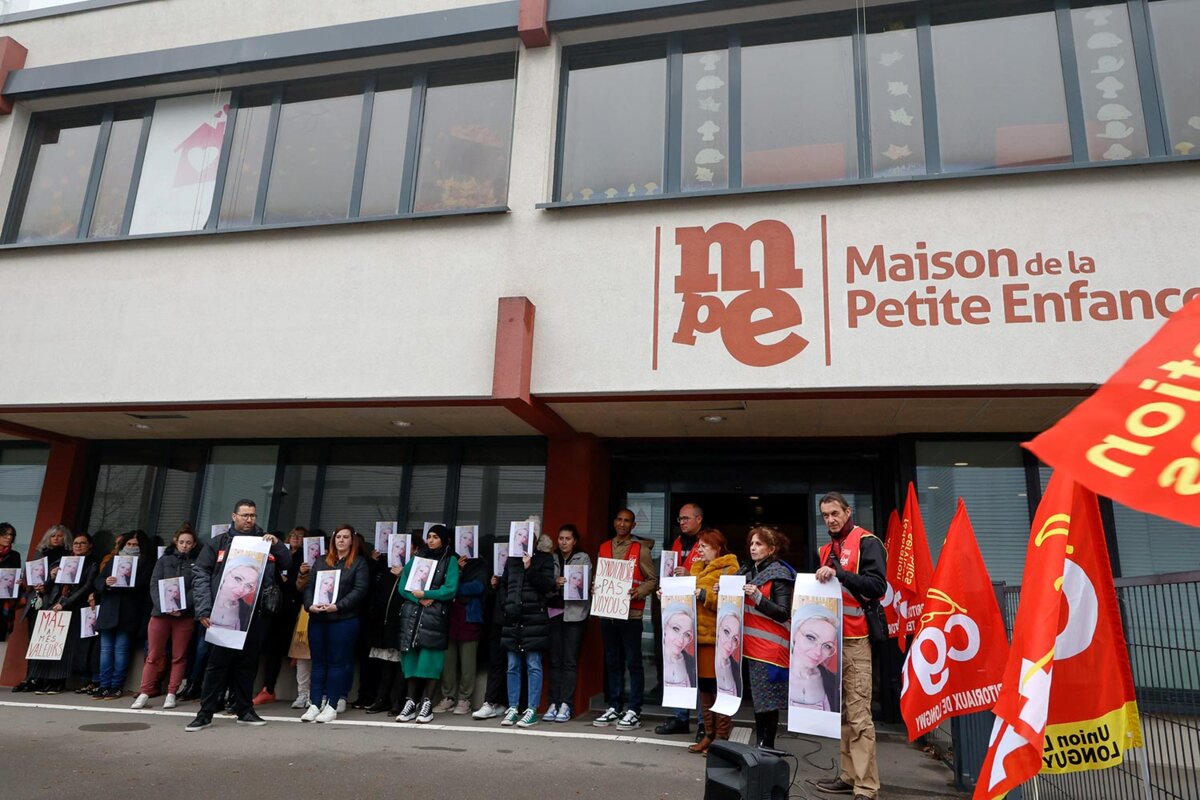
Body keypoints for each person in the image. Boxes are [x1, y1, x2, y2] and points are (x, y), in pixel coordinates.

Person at [184, 499, 291, 732]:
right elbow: (200, 574)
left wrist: (278, 544)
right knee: (217, 664)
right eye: (244, 515)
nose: (249, 519)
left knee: (248, 664)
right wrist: (203, 609)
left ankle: (244, 710)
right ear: (234, 516)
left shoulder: (266, 541)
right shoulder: (219, 543)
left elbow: (287, 564)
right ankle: (205, 714)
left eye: (252, 515)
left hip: (255, 614)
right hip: (222, 613)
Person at [813, 492, 887, 800]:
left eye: (834, 513)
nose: (830, 519)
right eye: (825, 515)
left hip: (856, 640)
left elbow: (878, 586)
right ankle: (848, 775)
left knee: (858, 715)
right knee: (842, 713)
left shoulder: (867, 541)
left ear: (847, 511)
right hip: (833, 641)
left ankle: (866, 787)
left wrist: (841, 574)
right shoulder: (825, 549)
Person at [593, 508, 657, 731]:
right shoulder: (603, 547)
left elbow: (652, 580)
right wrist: (595, 587)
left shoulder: (641, 549)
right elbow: (600, 576)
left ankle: (634, 710)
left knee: (633, 662)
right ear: (614, 522)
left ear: (633, 525)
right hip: (608, 612)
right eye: (619, 519)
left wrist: (638, 593)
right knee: (612, 661)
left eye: (627, 521)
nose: (622, 524)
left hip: (632, 614)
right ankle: (614, 706)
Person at [300, 524, 369, 724]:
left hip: (343, 620)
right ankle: (314, 704)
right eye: (338, 537)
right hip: (318, 619)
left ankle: (331, 705)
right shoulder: (321, 561)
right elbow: (310, 587)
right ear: (333, 539)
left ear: (352, 540)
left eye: (345, 537)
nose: (341, 540)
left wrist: (338, 606)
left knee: (337, 662)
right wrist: (309, 605)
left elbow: (360, 590)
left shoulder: (358, 563)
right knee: (318, 662)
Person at [394, 524, 459, 724]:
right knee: (411, 659)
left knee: (430, 661)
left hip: (434, 616)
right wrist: (418, 599)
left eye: (435, 537)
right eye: (429, 536)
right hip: (412, 614)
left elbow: (451, 589)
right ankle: (411, 702)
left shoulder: (450, 560)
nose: (431, 540)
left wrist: (428, 594)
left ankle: (427, 703)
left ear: (444, 540)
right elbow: (403, 587)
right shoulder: (416, 558)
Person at [738, 525, 796, 750]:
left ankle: (766, 744)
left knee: (768, 700)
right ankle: (762, 744)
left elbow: (783, 613)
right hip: (752, 646)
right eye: (751, 543)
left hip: (770, 648)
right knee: (760, 698)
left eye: (759, 544)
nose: (753, 548)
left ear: (771, 549)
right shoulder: (747, 571)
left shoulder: (779, 575)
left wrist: (759, 597)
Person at [132, 523, 199, 710]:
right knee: (153, 654)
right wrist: (165, 606)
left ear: (194, 545)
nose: (185, 545)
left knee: (179, 656)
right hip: (160, 614)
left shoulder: (196, 564)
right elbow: (154, 584)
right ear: (176, 542)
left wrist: (182, 607)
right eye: (182, 542)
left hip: (184, 616)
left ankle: (171, 693)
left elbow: (197, 589)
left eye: (189, 543)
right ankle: (145, 692)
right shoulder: (163, 560)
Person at [22, 532, 98, 695]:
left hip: (73, 608)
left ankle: (58, 681)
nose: (78, 546)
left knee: (65, 647)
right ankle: (43, 680)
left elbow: (86, 588)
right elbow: (49, 586)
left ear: (89, 546)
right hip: (53, 605)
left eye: (82, 543)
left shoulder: (92, 564)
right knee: (49, 644)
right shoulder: (63, 561)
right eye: (76, 543)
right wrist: (51, 577)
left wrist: (64, 603)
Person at [687, 528, 740, 753]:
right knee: (705, 689)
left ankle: (721, 737)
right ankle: (709, 734)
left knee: (721, 688)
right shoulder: (696, 568)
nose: (700, 550)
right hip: (696, 638)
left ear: (717, 548)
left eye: (704, 546)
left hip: (718, 639)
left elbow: (731, 602)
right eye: (699, 546)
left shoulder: (731, 568)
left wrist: (703, 595)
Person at [496, 533, 555, 728]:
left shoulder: (545, 558)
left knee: (533, 664)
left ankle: (531, 708)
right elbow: (504, 585)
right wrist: (507, 605)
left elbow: (548, 586)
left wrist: (530, 568)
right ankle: (513, 707)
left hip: (534, 618)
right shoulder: (511, 560)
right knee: (512, 664)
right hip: (513, 617)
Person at [93, 529, 153, 700]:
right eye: (129, 544)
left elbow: (144, 586)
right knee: (105, 650)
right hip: (109, 611)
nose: (132, 547)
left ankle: (116, 686)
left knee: (121, 651)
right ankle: (103, 686)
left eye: (136, 545)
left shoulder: (146, 563)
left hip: (129, 612)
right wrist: (106, 583)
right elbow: (98, 580)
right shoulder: (113, 560)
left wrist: (126, 581)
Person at [253, 526, 306, 707]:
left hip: (295, 607)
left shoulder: (306, 557)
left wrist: (291, 581)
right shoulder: (276, 554)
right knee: (272, 649)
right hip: (275, 607)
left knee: (298, 650)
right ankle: (268, 689)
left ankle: (303, 693)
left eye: (300, 536)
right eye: (292, 534)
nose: (295, 538)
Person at [544, 524, 591, 723]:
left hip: (575, 613)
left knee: (570, 661)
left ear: (575, 541)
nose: (564, 542)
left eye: (568, 539)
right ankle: (553, 703)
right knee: (555, 660)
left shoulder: (583, 558)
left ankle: (566, 704)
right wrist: (555, 582)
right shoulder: (552, 558)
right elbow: (543, 584)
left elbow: (586, 584)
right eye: (561, 538)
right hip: (554, 612)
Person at [433, 544, 486, 715]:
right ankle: (448, 696)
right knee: (448, 660)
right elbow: (440, 585)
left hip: (470, 616)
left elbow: (477, 587)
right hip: (449, 616)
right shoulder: (451, 562)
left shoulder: (480, 564)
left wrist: (453, 589)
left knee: (467, 661)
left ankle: (465, 699)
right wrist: (458, 571)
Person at [790, 604, 840, 712]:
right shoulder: (776, 673)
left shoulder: (832, 681)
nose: (818, 652)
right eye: (811, 637)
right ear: (795, 633)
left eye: (827, 646)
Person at [661, 602, 696, 688]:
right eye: (676, 629)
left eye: (687, 635)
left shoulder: (691, 663)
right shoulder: (656, 660)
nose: (681, 640)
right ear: (664, 627)